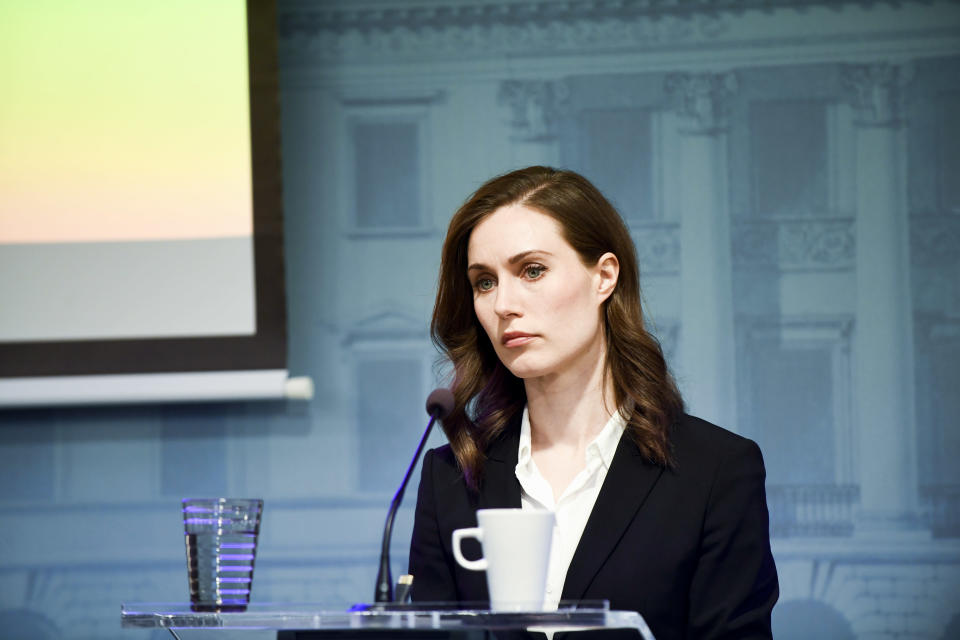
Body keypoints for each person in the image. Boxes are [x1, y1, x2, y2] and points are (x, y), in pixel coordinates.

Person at [408, 166, 779, 639]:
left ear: (604, 276)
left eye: (532, 270)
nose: (503, 304)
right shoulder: (452, 477)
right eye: (484, 282)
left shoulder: (715, 470)